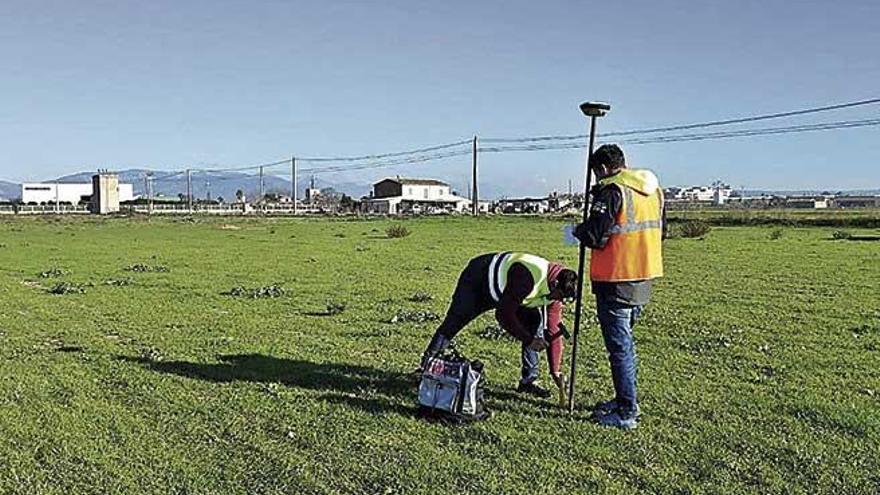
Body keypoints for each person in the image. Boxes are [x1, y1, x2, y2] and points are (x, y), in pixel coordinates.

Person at [574, 144, 665, 430]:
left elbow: (596, 236)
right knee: (625, 344)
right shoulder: (653, 191)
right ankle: (624, 399)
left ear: (601, 169)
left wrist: (578, 230)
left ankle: (626, 411)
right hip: (643, 277)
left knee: (620, 348)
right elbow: (662, 232)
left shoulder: (612, 191)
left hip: (615, 280)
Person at [419, 252, 578, 401]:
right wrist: (529, 339)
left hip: (510, 293)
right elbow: (503, 315)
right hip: (477, 280)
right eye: (561, 296)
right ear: (555, 283)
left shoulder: (556, 291)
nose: (560, 300)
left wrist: (555, 370)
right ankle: (427, 368)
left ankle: (528, 382)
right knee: (455, 321)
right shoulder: (528, 277)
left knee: (533, 321)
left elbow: (554, 329)